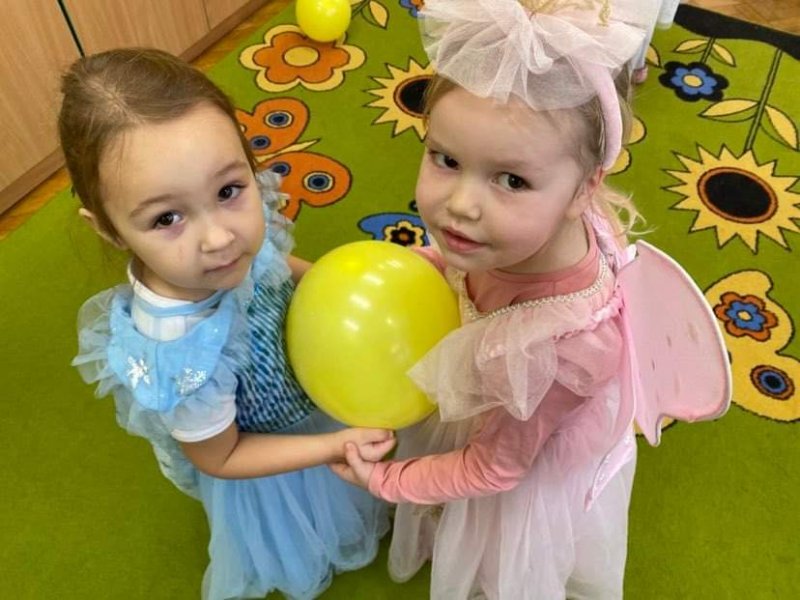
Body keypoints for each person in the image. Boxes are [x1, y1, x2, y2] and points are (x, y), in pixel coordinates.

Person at [331, 1, 729, 598]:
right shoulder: (518, 227)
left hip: (523, 434)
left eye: (512, 180)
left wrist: (388, 480)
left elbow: (495, 468)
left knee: (499, 550)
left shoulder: (561, 350)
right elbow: (458, 273)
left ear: (584, 190)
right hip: (499, 368)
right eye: (446, 159)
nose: (460, 205)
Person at [62, 48, 394, 600]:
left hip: (310, 382)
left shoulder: (234, 236)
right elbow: (222, 456)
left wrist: (335, 283)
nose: (220, 238)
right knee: (305, 520)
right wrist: (332, 446)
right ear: (110, 230)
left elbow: (275, 264)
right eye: (167, 218)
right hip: (269, 455)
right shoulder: (181, 349)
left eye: (228, 190)